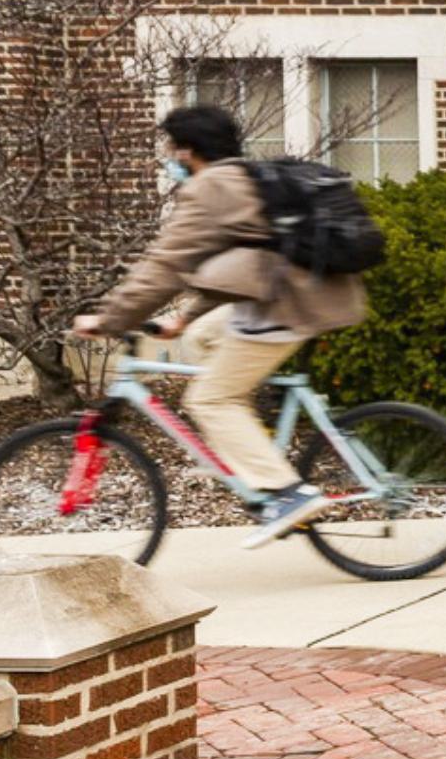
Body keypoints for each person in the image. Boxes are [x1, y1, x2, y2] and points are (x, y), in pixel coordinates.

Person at [74, 103, 371, 547]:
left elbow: (165, 265)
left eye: (172, 150)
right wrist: (184, 318)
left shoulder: (211, 188)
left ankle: (287, 494)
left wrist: (112, 318)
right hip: (288, 292)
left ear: (188, 151)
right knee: (201, 338)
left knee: (210, 399)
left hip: (287, 305)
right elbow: (246, 262)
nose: (171, 159)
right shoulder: (241, 175)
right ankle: (249, 443)